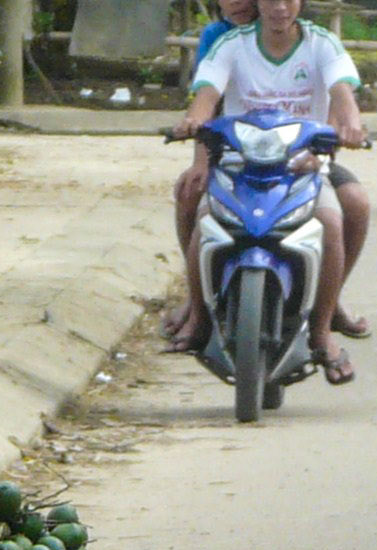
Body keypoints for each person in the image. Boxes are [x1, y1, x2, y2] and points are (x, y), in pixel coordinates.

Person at [169, 0, 369, 383]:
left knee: (331, 219)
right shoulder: (231, 44)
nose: (280, 7)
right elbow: (207, 94)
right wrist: (193, 119)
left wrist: (351, 125)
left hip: (304, 166)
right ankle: (200, 316)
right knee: (206, 219)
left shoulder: (322, 43)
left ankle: (322, 330)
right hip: (239, 164)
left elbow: (343, 93)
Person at [164, 0, 258, 339]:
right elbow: (207, 102)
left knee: (345, 206)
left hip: (289, 153)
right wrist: (201, 163)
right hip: (228, 149)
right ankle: (197, 297)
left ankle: (329, 301)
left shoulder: (300, 38)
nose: (238, 3)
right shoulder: (218, 38)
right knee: (190, 194)